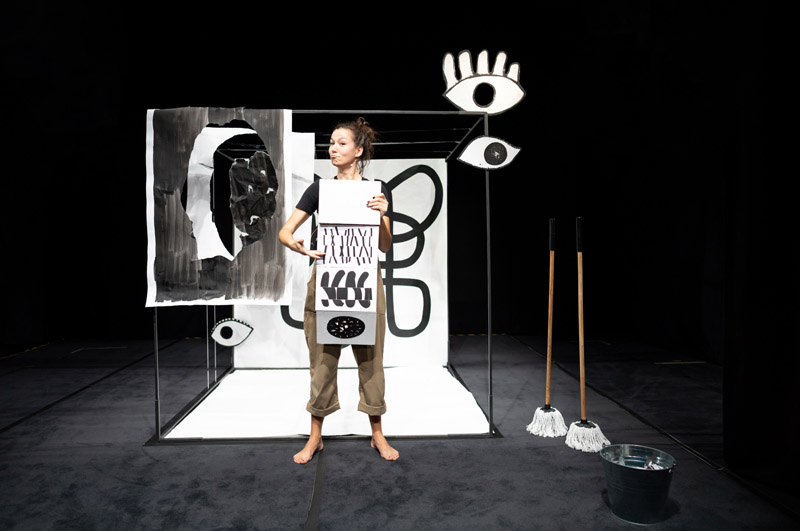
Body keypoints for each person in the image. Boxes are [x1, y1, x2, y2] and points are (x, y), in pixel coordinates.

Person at [278, 117, 399, 464]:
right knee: (322, 363)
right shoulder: (320, 190)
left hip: (364, 282)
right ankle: (315, 437)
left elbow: (384, 245)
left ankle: (377, 434)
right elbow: (285, 232)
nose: (333, 148)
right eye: (331, 143)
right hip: (326, 281)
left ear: (358, 150)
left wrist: (383, 214)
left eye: (341, 143)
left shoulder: (376, 189)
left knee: (371, 361)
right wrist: (299, 246)